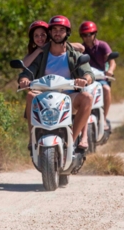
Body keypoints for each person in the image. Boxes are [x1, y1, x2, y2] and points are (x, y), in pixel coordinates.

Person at [18, 15, 95, 150]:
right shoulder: (41, 54)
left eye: (61, 29)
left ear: (67, 33)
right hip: (44, 98)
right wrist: (24, 80)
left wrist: (84, 79)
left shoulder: (73, 54)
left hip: (68, 98)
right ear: (50, 32)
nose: (57, 32)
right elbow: (27, 72)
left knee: (87, 97)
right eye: (54, 29)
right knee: (30, 95)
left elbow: (89, 73)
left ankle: (71, 141)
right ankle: (32, 139)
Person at [79, 21, 116, 129]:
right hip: (87, 79)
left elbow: (112, 61)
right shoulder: (81, 49)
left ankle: (103, 119)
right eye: (84, 35)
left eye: (89, 34)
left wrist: (111, 71)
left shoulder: (103, 46)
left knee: (106, 89)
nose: (87, 37)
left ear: (95, 33)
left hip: (100, 78)